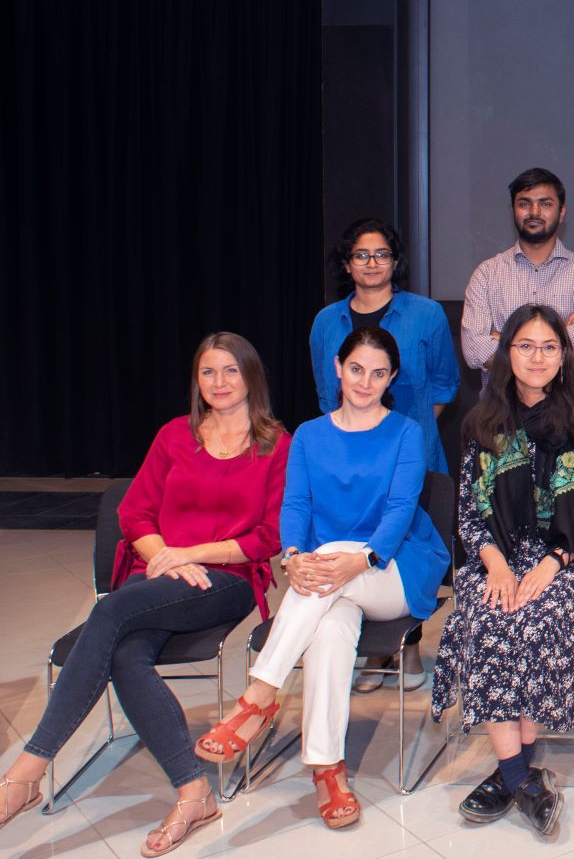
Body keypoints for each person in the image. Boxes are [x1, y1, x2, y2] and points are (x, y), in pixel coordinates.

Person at [0, 334, 288, 856]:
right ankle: (193, 792)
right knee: (127, 655)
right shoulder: (175, 435)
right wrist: (165, 556)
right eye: (207, 372)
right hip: (158, 573)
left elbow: (268, 536)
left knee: (109, 611)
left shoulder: (275, 444)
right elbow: (133, 513)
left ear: (251, 377)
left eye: (229, 371)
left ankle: (26, 770)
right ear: (195, 380)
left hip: (226, 579)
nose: (218, 383)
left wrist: (192, 554)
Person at [194, 326, 448, 831]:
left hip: (394, 569)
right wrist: (290, 555)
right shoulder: (310, 434)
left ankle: (257, 698)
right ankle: (328, 770)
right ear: (338, 367)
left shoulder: (405, 432)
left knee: (332, 554)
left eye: (379, 373)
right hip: (330, 581)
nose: (365, 382)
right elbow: (296, 504)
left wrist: (364, 557)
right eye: (357, 369)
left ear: (392, 377)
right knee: (331, 628)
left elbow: (400, 510)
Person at [431, 305, 574, 838]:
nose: (536, 357)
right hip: (497, 553)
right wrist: (494, 564)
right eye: (525, 346)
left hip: (569, 557)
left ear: (563, 357)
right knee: (493, 616)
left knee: (532, 619)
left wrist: (551, 564)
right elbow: (469, 512)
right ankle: (525, 781)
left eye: (548, 347)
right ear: (505, 354)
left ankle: (509, 774)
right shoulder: (482, 424)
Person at [308, 217, 459, 694]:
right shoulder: (326, 322)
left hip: (411, 451)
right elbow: (322, 391)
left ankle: (407, 645)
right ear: (347, 264)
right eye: (361, 255)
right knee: (355, 544)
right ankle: (369, 648)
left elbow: (444, 383)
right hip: (347, 460)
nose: (372, 264)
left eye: (382, 255)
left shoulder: (426, 314)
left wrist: (401, 434)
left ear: (396, 263)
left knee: (409, 546)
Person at [462, 167, 574, 388]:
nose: (534, 212)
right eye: (524, 203)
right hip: (503, 414)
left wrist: (504, 341)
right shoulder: (486, 274)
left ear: (562, 212)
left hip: (571, 414)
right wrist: (560, 338)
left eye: (546, 204)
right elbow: (473, 351)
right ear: (513, 210)